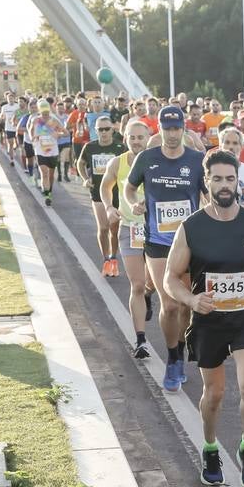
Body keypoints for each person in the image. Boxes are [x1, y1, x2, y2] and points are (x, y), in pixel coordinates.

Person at [163, 152, 244, 487]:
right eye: (218, 179)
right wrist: (191, 299)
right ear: (207, 182)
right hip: (208, 320)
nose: (225, 185)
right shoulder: (192, 227)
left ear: (238, 183)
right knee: (214, 394)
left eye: (230, 179)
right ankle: (211, 447)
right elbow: (171, 277)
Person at [124, 105, 207, 391]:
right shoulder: (147, 158)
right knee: (170, 304)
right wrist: (133, 201)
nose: (172, 135)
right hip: (157, 242)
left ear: (184, 129)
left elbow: (208, 194)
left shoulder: (197, 160)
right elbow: (129, 187)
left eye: (177, 128)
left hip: (189, 243)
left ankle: (181, 348)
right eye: (167, 129)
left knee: (185, 305)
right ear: (159, 129)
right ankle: (173, 358)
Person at [100, 119, 156, 359]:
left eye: (140, 137)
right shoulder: (118, 162)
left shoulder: (157, 161)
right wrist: (109, 208)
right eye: (131, 137)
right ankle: (141, 341)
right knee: (136, 284)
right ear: (125, 139)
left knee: (152, 285)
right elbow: (104, 187)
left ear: (148, 138)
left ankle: (148, 295)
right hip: (130, 229)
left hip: (158, 231)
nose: (136, 141)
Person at [77, 114, 126, 278]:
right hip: (97, 192)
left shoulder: (120, 148)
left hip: (117, 193)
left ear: (112, 130)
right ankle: (106, 259)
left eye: (107, 129)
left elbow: (129, 166)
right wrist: (85, 179)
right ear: (95, 130)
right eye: (100, 130)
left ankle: (114, 258)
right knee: (103, 227)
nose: (104, 132)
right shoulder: (90, 147)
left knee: (114, 228)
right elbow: (80, 163)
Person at [28, 99, 66, 205]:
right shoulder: (35, 120)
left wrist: (58, 135)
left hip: (53, 151)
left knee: (50, 174)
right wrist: (33, 138)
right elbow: (30, 130)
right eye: (43, 113)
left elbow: (66, 132)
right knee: (44, 173)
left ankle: (49, 190)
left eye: (47, 113)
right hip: (40, 150)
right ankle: (47, 195)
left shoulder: (54, 120)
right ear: (40, 112)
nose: (45, 115)